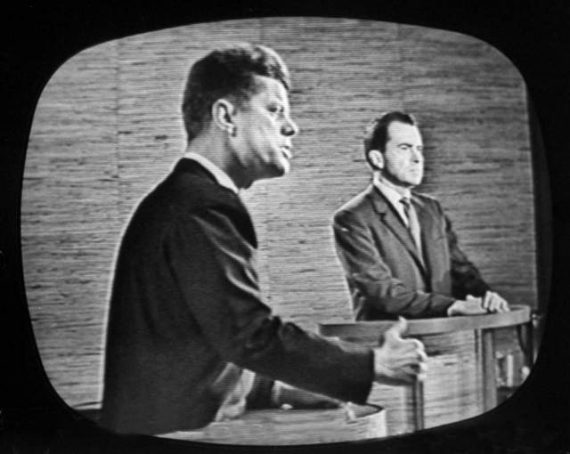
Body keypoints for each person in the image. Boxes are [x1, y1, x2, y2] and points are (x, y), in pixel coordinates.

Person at [100, 45, 427, 436]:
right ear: (225, 116)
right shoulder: (199, 205)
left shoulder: (187, 198)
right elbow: (249, 335)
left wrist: (276, 390)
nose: (291, 127)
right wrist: (373, 364)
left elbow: (200, 347)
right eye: (274, 110)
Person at [333, 111, 510, 320]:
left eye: (419, 149)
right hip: (389, 342)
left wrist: (486, 297)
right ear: (377, 158)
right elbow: (381, 291)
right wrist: (451, 307)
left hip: (444, 337)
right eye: (405, 148)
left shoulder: (431, 209)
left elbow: (460, 271)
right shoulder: (352, 218)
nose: (417, 158)